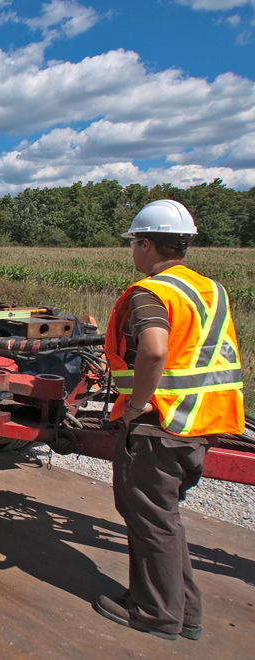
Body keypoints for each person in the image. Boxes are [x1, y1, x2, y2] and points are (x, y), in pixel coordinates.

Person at [94, 199, 245, 641]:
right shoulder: (210, 288)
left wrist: (138, 403)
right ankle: (185, 611)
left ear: (145, 244)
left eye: (134, 243)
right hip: (202, 422)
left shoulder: (153, 292)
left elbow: (155, 349)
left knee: (148, 517)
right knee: (166, 517)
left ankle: (154, 613)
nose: (133, 252)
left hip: (161, 423)